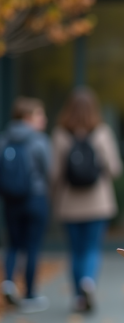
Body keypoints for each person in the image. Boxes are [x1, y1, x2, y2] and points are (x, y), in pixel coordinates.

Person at [51, 88, 122, 313]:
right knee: (92, 248)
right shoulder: (102, 132)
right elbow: (115, 168)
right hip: (97, 203)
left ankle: (77, 297)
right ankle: (88, 282)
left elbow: (54, 173)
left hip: (69, 203)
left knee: (75, 251)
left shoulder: (61, 134)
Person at [0, 97, 51, 313]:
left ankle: (9, 282)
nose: (44, 119)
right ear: (28, 117)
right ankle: (30, 293)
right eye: (40, 114)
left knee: (13, 244)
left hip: (11, 199)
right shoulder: (38, 140)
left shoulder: (5, 138)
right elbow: (49, 169)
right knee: (31, 247)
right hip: (35, 197)